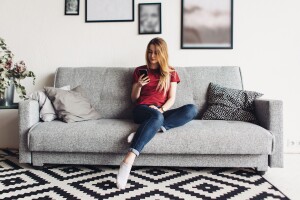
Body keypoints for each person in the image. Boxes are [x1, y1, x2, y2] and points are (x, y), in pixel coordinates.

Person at [116, 37, 198, 189]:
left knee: (192, 109)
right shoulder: (139, 71)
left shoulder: (171, 73)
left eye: (156, 52)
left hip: (159, 111)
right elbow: (134, 99)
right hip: (142, 110)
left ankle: (147, 131)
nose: (152, 56)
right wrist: (139, 85)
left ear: (163, 54)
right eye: (149, 52)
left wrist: (161, 110)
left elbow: (171, 98)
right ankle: (128, 160)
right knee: (156, 116)